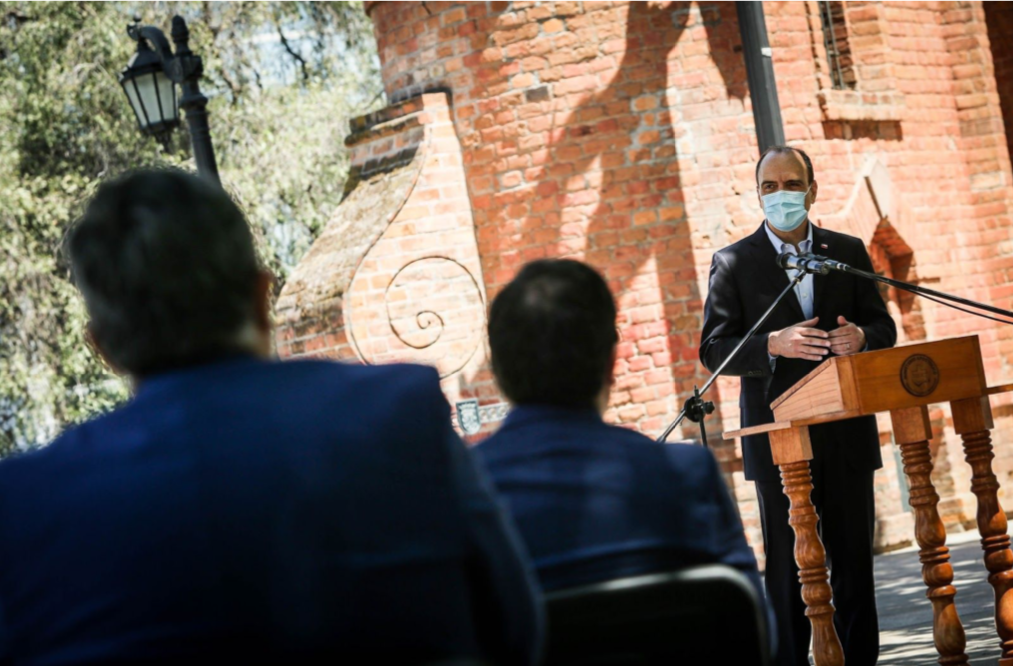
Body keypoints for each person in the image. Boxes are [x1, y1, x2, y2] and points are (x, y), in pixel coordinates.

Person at [0, 169, 542, 666]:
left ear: (104, 348)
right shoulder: (399, 415)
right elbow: (516, 630)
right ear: (262, 297)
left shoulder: (25, 505)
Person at [700, 145, 897, 666]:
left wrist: (863, 336)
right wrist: (772, 343)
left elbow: (883, 325)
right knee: (788, 571)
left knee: (854, 564)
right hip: (777, 436)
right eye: (769, 186)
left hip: (846, 431)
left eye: (791, 184)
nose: (780, 195)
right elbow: (713, 349)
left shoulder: (848, 250)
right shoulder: (733, 262)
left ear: (812, 191)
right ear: (758, 194)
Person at [474, 258, 766, 607]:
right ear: (613, 361)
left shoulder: (457, 493)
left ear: (498, 372)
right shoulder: (687, 475)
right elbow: (756, 631)